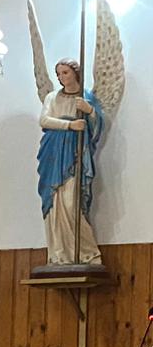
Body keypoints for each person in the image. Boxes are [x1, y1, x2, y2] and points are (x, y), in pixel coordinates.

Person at [37, 58, 102, 265]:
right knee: (55, 204)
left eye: (65, 72)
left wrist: (89, 110)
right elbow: (44, 120)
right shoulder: (51, 97)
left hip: (75, 154)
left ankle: (88, 254)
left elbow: (97, 126)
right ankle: (59, 254)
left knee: (71, 203)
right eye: (58, 74)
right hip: (54, 152)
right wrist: (70, 125)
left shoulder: (86, 96)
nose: (61, 77)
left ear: (75, 73)